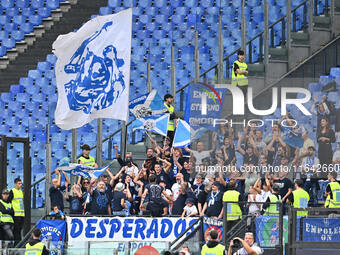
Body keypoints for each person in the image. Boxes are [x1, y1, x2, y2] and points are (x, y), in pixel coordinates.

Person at [8, 178, 24, 244]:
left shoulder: (21, 191)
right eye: (19, 183)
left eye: (21, 183)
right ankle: (17, 244)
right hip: (16, 214)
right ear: (15, 184)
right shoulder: (12, 191)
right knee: (16, 230)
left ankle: (19, 243)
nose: (20, 185)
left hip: (22, 214)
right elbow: (9, 201)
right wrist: (12, 210)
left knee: (19, 230)